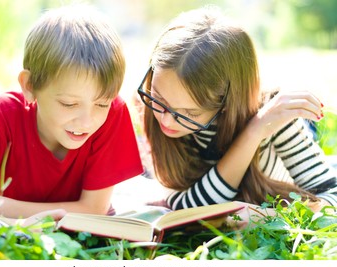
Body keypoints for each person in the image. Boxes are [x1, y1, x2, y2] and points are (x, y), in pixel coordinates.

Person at [0, 5, 143, 224]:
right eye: (69, 104)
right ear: (29, 86)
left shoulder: (114, 113)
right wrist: (20, 225)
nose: (87, 121)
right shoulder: (1, 116)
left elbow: (94, 210)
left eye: (102, 103)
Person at [137, 7, 337, 218]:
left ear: (225, 103)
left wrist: (257, 129)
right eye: (159, 98)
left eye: (190, 113)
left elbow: (332, 198)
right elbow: (185, 208)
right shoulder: (151, 105)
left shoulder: (272, 118)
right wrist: (252, 134)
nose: (166, 119)